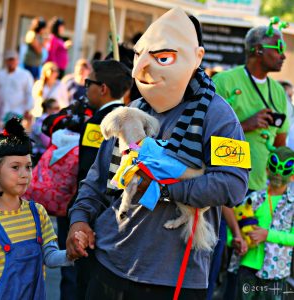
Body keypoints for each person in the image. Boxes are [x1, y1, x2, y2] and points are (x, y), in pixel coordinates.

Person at [66, 7, 249, 299]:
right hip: (107, 262)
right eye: (141, 57)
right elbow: (98, 179)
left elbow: (234, 185)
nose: (143, 69)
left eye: (162, 57)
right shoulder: (131, 112)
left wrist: (165, 189)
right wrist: (79, 220)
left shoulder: (220, 117)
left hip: (172, 279)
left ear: (196, 58)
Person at [42, 59, 132, 300]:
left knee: (76, 278)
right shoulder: (130, 118)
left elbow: (90, 172)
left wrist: (82, 216)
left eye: (88, 83)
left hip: (91, 215)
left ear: (102, 88)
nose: (85, 88)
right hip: (117, 217)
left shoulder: (99, 123)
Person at [0, 117, 76, 300]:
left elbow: (50, 256)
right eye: (15, 167)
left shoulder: (37, 212)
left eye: (28, 167)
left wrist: (70, 254)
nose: (24, 174)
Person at [213, 25, 289, 192]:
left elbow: (280, 146)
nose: (283, 56)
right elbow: (205, 137)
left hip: (260, 190)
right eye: (279, 49)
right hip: (225, 186)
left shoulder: (278, 92)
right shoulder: (224, 82)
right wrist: (245, 126)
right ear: (258, 50)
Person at [232, 146, 294, 299]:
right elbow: (235, 224)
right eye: (274, 168)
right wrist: (235, 240)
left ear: (292, 176)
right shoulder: (253, 199)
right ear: (267, 169)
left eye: (284, 170)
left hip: (276, 272)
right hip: (247, 266)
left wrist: (267, 235)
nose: (278, 173)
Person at [0, 50, 34, 131]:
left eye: (13, 59)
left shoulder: (25, 75)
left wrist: (28, 109)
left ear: (17, 60)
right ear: (6, 61)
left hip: (17, 113)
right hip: (1, 113)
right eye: (9, 60)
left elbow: (29, 93)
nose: (11, 62)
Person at [29, 98, 60, 165]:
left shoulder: (52, 121)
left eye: (58, 108)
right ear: (48, 109)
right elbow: (47, 143)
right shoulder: (41, 122)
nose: (58, 110)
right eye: (56, 108)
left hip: (46, 154)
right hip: (38, 156)